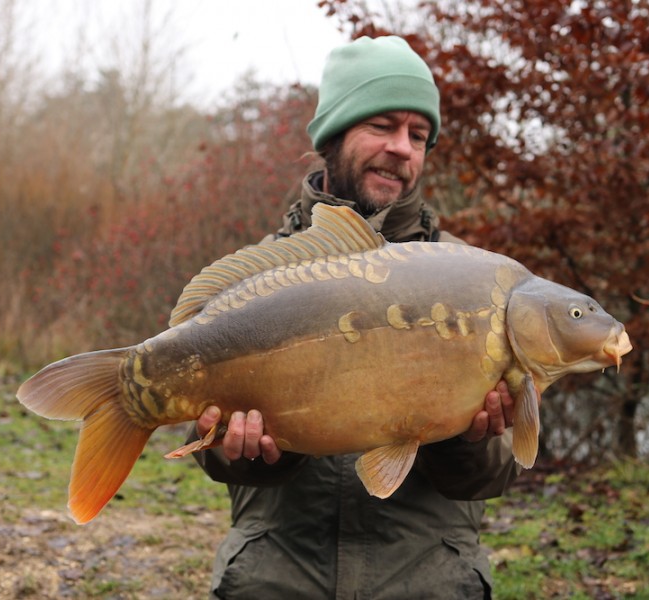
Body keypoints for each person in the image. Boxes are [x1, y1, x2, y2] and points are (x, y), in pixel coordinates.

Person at [186, 35, 520, 599]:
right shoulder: (256, 280)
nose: (402, 148)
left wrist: (464, 436)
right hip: (277, 579)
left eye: (418, 136)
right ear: (332, 137)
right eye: (382, 126)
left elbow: (493, 477)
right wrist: (251, 452)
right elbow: (210, 451)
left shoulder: (479, 286)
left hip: (427, 583)